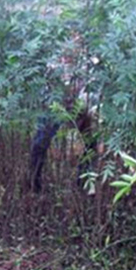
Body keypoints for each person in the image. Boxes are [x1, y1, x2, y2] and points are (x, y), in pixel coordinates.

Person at [30, 32, 100, 194]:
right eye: (68, 40)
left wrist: (87, 110)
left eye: (76, 41)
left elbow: (92, 92)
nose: (72, 46)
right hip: (54, 106)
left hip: (80, 105)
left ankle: (84, 185)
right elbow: (45, 91)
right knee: (40, 141)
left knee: (91, 142)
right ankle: (34, 185)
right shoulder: (53, 63)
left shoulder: (90, 62)